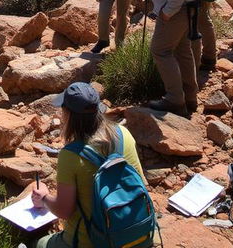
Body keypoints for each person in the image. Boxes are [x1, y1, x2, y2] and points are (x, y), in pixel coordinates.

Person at [29, 82, 146, 248]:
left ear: (67, 114)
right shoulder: (123, 134)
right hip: (135, 233)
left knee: (38, 243)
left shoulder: (70, 155)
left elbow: (64, 210)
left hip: (91, 241)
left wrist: (44, 198)